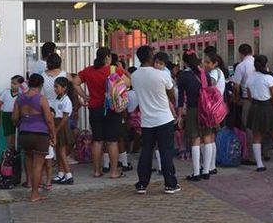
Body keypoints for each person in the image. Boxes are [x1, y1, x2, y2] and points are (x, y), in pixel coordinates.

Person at [131, 46, 180, 195]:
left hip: (146, 120)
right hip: (164, 118)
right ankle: (170, 183)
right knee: (165, 151)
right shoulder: (161, 75)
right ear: (151, 56)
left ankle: (142, 184)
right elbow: (172, 93)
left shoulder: (135, 76)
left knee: (146, 151)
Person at [78, 47, 128, 179]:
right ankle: (113, 172)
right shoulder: (113, 70)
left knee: (97, 141)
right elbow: (128, 82)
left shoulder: (88, 71)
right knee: (112, 141)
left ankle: (96, 171)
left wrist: (84, 96)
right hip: (111, 108)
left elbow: (75, 82)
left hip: (94, 108)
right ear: (107, 57)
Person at [12, 73, 56, 202]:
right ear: (41, 85)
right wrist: (53, 135)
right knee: (38, 165)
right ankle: (35, 194)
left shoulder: (19, 98)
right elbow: (49, 120)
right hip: (40, 134)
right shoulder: (41, 99)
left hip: (24, 134)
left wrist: (21, 124)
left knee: (29, 159)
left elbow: (14, 117)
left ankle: (29, 183)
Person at [178, 50, 214, 181]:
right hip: (206, 110)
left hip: (193, 110)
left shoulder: (183, 76)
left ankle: (196, 172)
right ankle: (206, 170)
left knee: (195, 140)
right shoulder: (205, 73)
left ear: (184, 62)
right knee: (207, 138)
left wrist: (180, 115)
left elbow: (181, 98)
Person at [230, 43, 256, 161]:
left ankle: (251, 156)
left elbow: (236, 85)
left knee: (249, 127)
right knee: (259, 128)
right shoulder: (259, 63)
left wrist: (236, 97)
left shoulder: (241, 66)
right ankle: (263, 153)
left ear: (241, 53)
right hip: (261, 100)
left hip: (247, 100)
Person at [203, 51, 227, 175]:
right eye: (204, 62)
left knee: (208, 137)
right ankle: (211, 166)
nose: (205, 64)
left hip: (211, 108)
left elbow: (209, 87)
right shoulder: (220, 72)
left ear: (215, 63)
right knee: (212, 137)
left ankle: (208, 167)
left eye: (208, 62)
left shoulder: (213, 73)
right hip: (218, 108)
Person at [52, 77, 76, 185]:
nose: (55, 89)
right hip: (57, 125)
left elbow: (65, 118)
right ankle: (61, 174)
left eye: (57, 87)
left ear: (64, 88)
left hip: (62, 127)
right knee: (58, 151)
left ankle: (68, 175)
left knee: (62, 152)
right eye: (54, 86)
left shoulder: (66, 100)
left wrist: (56, 130)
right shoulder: (57, 99)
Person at [0, 75, 25, 149]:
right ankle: (10, 154)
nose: (12, 85)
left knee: (17, 138)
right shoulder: (6, 92)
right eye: (11, 83)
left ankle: (16, 155)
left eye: (15, 84)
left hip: (18, 117)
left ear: (20, 85)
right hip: (7, 116)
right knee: (9, 138)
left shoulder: (22, 95)